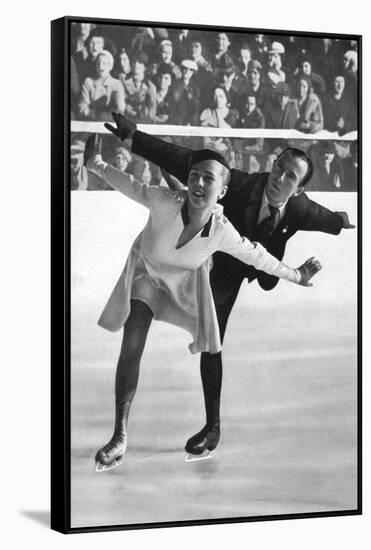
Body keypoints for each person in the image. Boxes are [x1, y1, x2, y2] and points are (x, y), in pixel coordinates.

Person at [102, 113, 355, 460]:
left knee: (236, 312)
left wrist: (340, 223)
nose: (279, 178)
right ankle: (213, 428)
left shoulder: (301, 208)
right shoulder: (238, 183)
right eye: (278, 166)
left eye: (290, 176)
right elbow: (182, 158)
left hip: (257, 264)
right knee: (213, 341)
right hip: (220, 264)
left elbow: (325, 219)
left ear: (300, 188)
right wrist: (134, 139)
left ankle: (211, 425)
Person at [78, 50, 126, 121]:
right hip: (91, 122)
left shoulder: (117, 84)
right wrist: (94, 115)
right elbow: (82, 106)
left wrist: (107, 117)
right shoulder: (89, 82)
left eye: (104, 63)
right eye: (98, 63)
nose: (100, 66)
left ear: (110, 66)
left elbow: (121, 109)